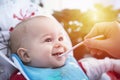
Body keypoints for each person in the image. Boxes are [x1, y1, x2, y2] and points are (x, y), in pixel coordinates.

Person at [9, 16, 120, 80]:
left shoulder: (75, 67)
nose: (59, 44)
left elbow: (107, 64)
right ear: (26, 55)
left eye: (61, 38)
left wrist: (115, 64)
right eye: (48, 40)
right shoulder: (23, 77)